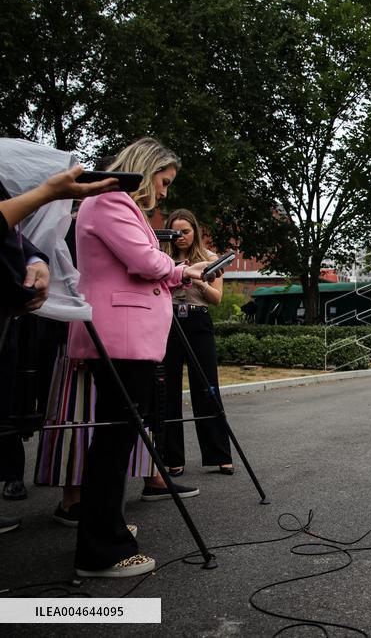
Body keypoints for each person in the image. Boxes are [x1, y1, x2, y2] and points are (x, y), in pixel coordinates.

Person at [66, 138, 210, 577]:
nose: (165, 193)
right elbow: (144, 261)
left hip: (127, 337)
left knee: (118, 436)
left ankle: (104, 524)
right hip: (121, 337)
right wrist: (184, 270)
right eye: (164, 182)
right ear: (147, 170)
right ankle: (100, 549)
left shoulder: (114, 204)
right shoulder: (111, 200)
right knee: (115, 439)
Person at [0, 166, 117, 534]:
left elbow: (19, 237)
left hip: (23, 316)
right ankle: (67, 496)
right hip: (71, 332)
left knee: (7, 402)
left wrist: (36, 260)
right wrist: (47, 191)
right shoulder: (89, 214)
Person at [161, 208, 233, 476]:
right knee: (167, 390)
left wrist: (199, 280)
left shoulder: (210, 259)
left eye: (186, 231)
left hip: (198, 323)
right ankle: (172, 458)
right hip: (168, 323)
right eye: (176, 232)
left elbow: (216, 299)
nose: (181, 237)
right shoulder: (162, 258)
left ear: (196, 233)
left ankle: (219, 455)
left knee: (207, 387)